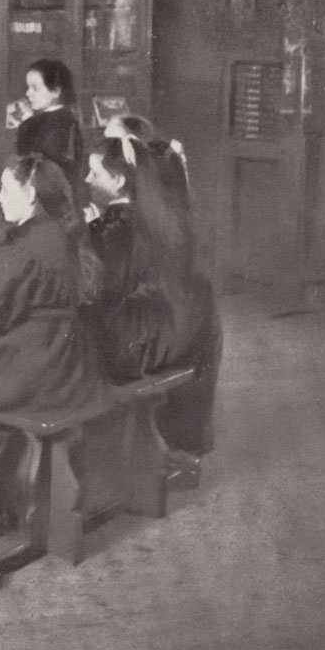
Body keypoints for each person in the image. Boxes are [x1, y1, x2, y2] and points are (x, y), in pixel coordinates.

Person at [0, 155, 110, 535]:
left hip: (37, 360)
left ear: (30, 194)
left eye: (6, 189)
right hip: (66, 358)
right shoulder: (60, 233)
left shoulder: (21, 248)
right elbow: (23, 298)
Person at [97, 117, 221, 465]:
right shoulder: (161, 202)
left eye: (118, 146)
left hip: (175, 322)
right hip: (181, 317)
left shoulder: (151, 212)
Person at [82, 135, 197, 381]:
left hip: (133, 344)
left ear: (119, 180)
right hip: (167, 337)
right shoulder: (153, 216)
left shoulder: (113, 229)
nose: (87, 179)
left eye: (95, 173)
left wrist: (90, 232)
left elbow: (104, 291)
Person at [13, 59, 85, 202]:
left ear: (56, 92)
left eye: (35, 88)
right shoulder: (70, 118)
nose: (28, 93)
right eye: (28, 87)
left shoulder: (34, 124)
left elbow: (27, 166)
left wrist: (27, 122)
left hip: (41, 196)